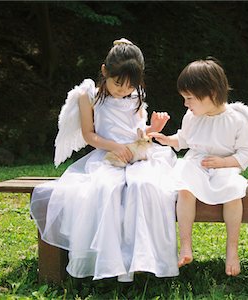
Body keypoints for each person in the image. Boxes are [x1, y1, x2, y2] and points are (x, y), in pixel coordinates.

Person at [30, 38, 179, 282]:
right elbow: (90, 135)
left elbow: (140, 133)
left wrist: (154, 127)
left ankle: (143, 258)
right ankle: (110, 261)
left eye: (130, 86)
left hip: (138, 155)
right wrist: (116, 147)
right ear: (104, 71)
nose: (123, 90)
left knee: (145, 187)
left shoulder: (136, 95)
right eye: (118, 83)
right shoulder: (87, 95)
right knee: (106, 189)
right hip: (107, 155)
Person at [149, 58, 248, 277]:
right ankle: (185, 245)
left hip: (225, 166)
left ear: (211, 93)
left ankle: (232, 249)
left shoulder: (236, 120)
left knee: (232, 192)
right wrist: (168, 140)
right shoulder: (192, 117)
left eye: (189, 98)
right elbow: (184, 140)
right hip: (197, 163)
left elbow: (246, 153)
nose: (186, 104)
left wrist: (223, 162)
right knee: (185, 186)